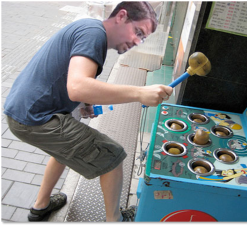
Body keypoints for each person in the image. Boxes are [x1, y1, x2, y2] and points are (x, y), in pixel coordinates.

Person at [4, 1, 173, 222]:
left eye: (142, 38)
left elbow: (73, 81)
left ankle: (40, 208)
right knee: (112, 155)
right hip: (35, 118)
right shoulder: (94, 35)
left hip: (23, 109)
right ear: (121, 16)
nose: (136, 42)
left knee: (62, 152)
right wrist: (140, 92)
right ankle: (116, 219)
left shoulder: (89, 29)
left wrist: (85, 100)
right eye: (137, 31)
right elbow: (77, 87)